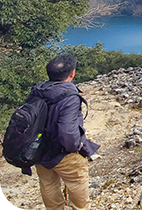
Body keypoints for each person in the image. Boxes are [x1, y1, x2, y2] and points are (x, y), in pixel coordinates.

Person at [34, 54, 99, 210]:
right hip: (64, 152)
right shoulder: (69, 96)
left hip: (40, 150)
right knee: (77, 184)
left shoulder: (38, 90)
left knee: (48, 184)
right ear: (72, 73)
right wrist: (75, 148)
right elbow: (67, 131)